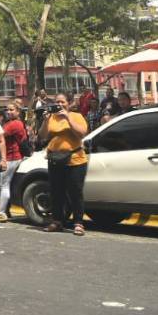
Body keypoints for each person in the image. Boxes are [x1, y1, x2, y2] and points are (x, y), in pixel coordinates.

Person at [39, 92, 89, 235]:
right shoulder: (52, 117)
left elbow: (82, 133)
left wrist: (67, 117)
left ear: (70, 103)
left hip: (75, 160)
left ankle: (78, 222)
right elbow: (43, 135)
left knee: (75, 192)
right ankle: (57, 221)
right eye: (57, 102)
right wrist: (45, 121)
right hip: (55, 159)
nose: (59, 105)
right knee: (56, 192)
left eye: (62, 102)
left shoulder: (76, 116)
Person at [0, 101, 28, 222]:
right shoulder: (10, 123)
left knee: (3, 184)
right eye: (7, 110)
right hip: (8, 157)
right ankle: (2, 211)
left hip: (12, 157)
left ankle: (1, 212)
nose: (8, 112)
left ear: (18, 112)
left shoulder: (15, 124)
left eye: (11, 110)